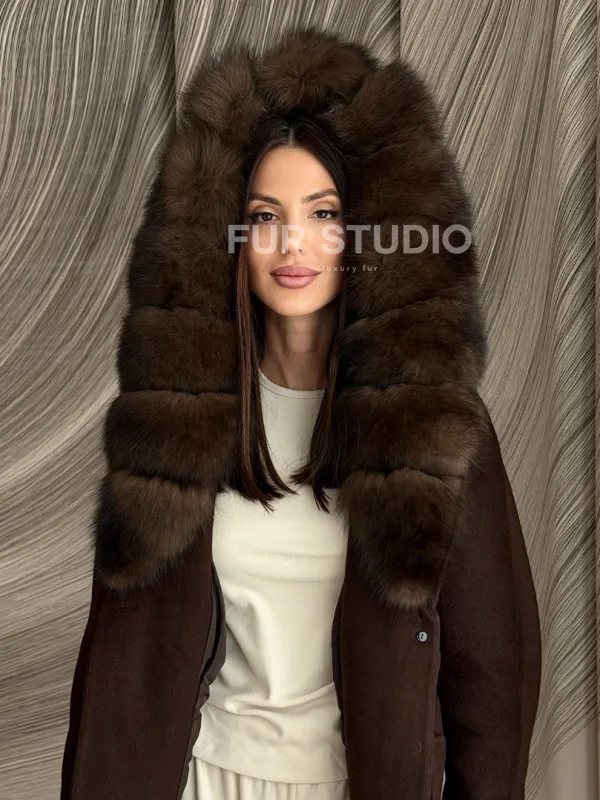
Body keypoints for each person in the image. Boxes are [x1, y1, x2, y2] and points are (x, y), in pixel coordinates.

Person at [61, 26, 542, 800]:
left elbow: (494, 674)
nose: (294, 243)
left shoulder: (432, 423)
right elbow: (114, 662)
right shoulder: (173, 421)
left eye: (323, 214)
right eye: (264, 216)